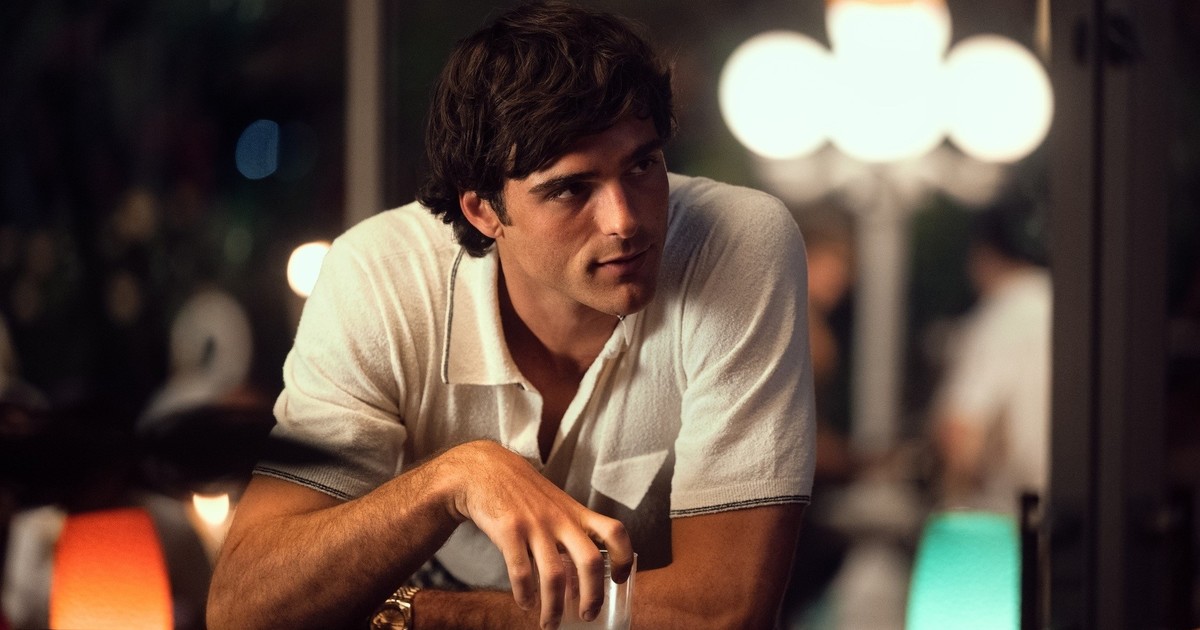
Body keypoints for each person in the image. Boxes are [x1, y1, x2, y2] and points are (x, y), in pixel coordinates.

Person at [206, 2, 816, 628]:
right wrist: (453, 479)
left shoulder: (734, 246)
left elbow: (723, 613)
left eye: (642, 165)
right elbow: (244, 607)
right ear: (483, 212)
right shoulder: (381, 278)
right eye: (571, 188)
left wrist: (413, 616)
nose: (626, 220)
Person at [931, 198, 1051, 514]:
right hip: (1072, 508)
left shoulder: (1003, 314)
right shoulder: (1063, 306)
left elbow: (959, 428)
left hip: (1012, 513)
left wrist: (954, 507)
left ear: (983, 254)